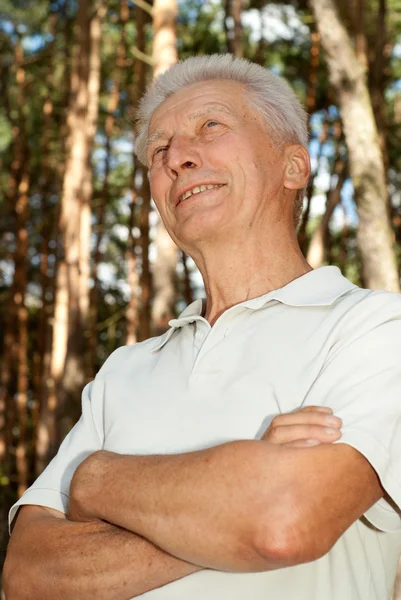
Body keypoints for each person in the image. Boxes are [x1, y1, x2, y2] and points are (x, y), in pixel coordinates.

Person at [4, 54, 401, 600]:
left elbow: (283, 524)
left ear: (293, 167)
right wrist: (234, 495)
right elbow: (28, 576)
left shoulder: (377, 328)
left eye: (210, 127)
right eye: (158, 150)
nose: (177, 158)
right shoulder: (123, 371)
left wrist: (98, 479)